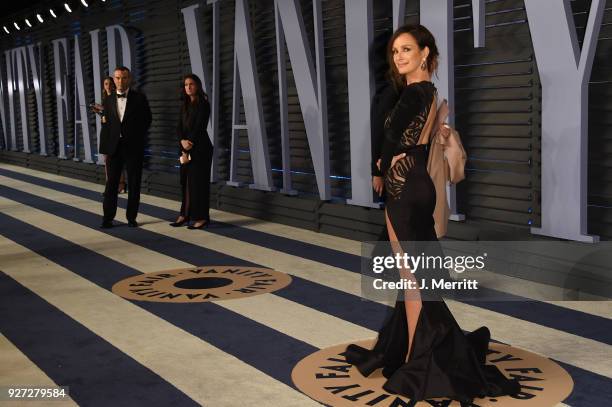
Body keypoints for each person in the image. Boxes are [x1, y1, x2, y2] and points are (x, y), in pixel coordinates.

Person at [345, 24, 520, 404]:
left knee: (412, 279)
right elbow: (407, 139)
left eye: (406, 49)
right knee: (413, 278)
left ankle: (420, 359)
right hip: (414, 184)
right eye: (395, 52)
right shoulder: (427, 92)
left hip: (404, 189)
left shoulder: (414, 92)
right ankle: (412, 354)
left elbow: (392, 140)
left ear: (425, 53)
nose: (399, 57)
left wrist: (383, 161)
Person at [99, 66, 152, 228]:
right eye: (117, 78)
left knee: (134, 183)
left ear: (129, 79)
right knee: (111, 185)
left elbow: (147, 120)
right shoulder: (107, 100)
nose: (120, 81)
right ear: (114, 79)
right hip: (114, 148)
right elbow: (107, 124)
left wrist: (135, 138)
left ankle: (131, 218)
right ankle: (108, 218)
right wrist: (107, 146)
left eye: (123, 78)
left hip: (133, 147)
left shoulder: (139, 98)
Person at [169, 74, 213, 230]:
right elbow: (178, 127)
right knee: (185, 183)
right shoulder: (184, 105)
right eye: (186, 84)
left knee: (199, 184)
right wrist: (182, 142)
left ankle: (202, 217)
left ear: (198, 86)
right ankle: (185, 214)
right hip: (184, 148)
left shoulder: (204, 104)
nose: (188, 87)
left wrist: (189, 143)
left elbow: (200, 127)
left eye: (191, 84)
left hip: (201, 148)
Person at [92, 77, 127, 194]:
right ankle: (110, 186)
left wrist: (103, 109)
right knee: (106, 159)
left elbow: (118, 115)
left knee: (116, 159)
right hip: (106, 131)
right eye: (105, 84)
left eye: (109, 84)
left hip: (115, 132)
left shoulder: (116, 98)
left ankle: (121, 185)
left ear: (113, 85)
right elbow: (105, 118)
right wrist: (99, 111)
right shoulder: (105, 98)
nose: (107, 86)